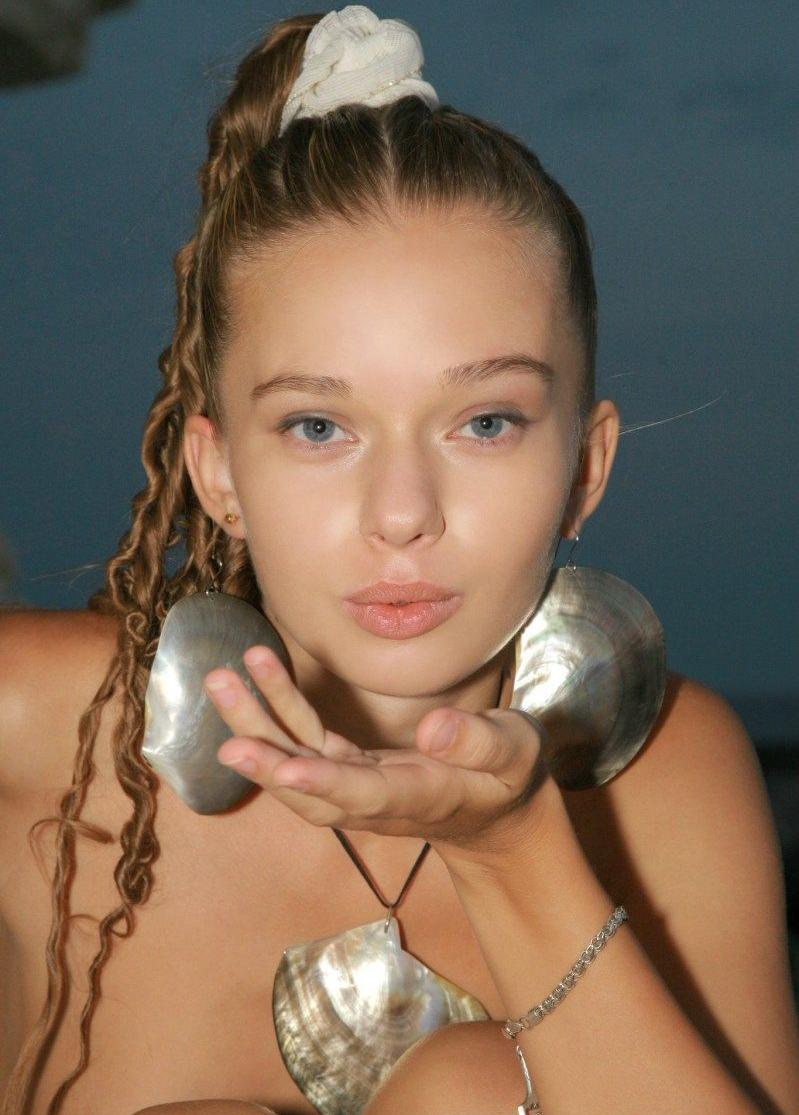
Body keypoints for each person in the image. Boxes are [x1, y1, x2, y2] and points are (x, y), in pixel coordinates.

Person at [2, 7, 797, 1115]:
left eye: (485, 422)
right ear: (218, 472)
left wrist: (515, 852)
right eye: (318, 427)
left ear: (585, 466)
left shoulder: (669, 772)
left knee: (476, 1086)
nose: (402, 514)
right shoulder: (43, 725)